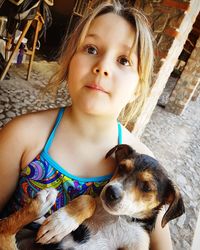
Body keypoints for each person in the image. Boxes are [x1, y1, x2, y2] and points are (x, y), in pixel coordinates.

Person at [0, 1, 173, 249]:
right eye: (91, 48)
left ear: (138, 88)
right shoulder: (22, 136)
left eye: (124, 60)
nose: (102, 66)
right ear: (69, 60)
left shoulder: (143, 166)